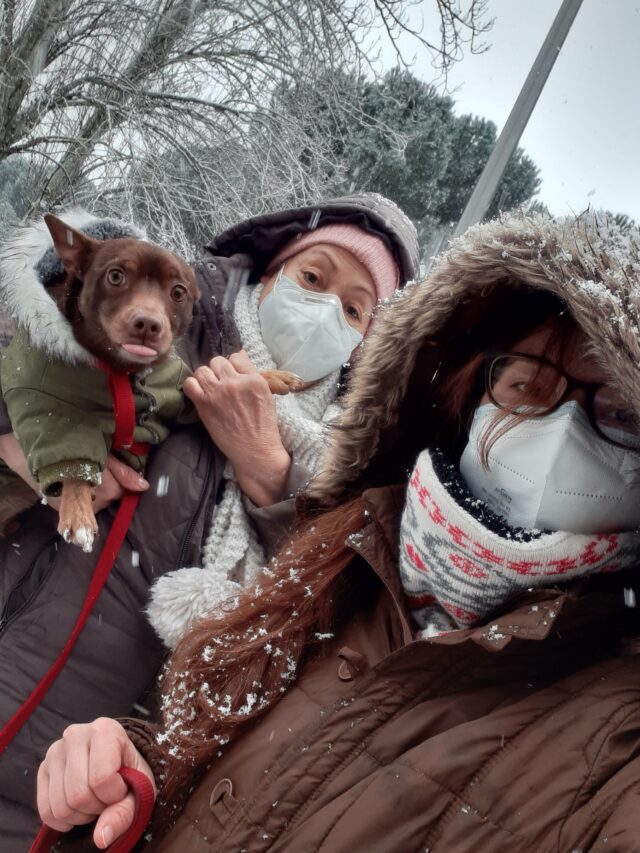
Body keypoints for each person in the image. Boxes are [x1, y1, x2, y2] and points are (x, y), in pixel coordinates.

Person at [35, 210, 640, 851]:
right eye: (527, 386)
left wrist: (270, 472)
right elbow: (200, 745)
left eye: (619, 410)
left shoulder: (614, 727)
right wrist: (130, 777)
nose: (561, 433)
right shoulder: (351, 557)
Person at [0, 193, 419, 849]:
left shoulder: (350, 464)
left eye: (355, 307)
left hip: (93, 798)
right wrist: (15, 444)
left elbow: (328, 621)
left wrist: (271, 475)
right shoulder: (157, 323)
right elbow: (26, 356)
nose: (324, 310)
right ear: (269, 269)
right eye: (314, 277)